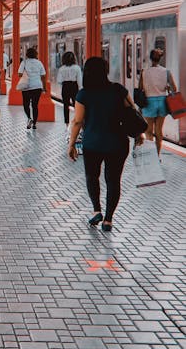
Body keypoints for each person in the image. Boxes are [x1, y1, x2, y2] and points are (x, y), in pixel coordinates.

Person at [68, 57, 144, 232]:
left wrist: (71, 144)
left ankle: (97, 210)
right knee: (113, 180)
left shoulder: (84, 94)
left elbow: (78, 121)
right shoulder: (118, 90)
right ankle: (108, 219)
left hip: (92, 143)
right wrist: (138, 133)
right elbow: (133, 112)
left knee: (92, 177)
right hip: (117, 143)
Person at [139, 48, 177, 157]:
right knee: (159, 131)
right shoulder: (166, 71)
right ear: (160, 59)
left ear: (150, 59)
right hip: (162, 102)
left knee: (149, 131)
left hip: (149, 102)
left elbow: (140, 88)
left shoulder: (144, 72)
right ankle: (158, 154)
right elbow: (174, 88)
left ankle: (152, 155)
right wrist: (167, 88)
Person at [17, 47, 46, 129]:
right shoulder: (39, 63)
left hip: (27, 86)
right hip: (37, 86)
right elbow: (43, 76)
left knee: (26, 104)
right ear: (35, 54)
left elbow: (19, 74)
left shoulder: (24, 62)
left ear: (27, 55)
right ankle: (34, 124)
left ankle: (29, 118)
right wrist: (44, 87)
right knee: (35, 105)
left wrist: (27, 73)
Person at [57, 51, 82, 127]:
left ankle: (67, 124)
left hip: (65, 86)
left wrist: (64, 82)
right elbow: (79, 80)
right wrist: (80, 88)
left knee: (65, 105)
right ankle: (77, 121)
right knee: (76, 105)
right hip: (74, 86)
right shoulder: (77, 68)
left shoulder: (61, 69)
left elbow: (59, 80)